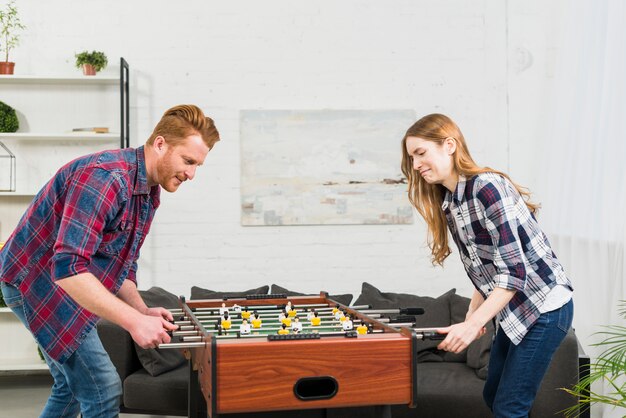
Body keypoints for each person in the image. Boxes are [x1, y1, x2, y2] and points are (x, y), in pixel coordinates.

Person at [0, 104, 220, 418]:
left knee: (72, 388)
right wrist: (134, 322)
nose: (191, 174)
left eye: (198, 165)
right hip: (35, 280)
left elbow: (123, 262)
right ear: (160, 144)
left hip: (65, 278)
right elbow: (67, 268)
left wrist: (140, 309)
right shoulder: (105, 179)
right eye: (188, 161)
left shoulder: (148, 190)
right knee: (103, 389)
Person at [400, 113, 573, 418]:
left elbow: (514, 272)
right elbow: (486, 267)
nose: (415, 165)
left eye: (420, 153)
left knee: (509, 407)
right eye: (412, 157)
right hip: (513, 308)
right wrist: (473, 316)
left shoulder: (487, 187)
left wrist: (470, 325)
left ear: (449, 145)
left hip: (544, 308)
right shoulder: (452, 202)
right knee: (494, 395)